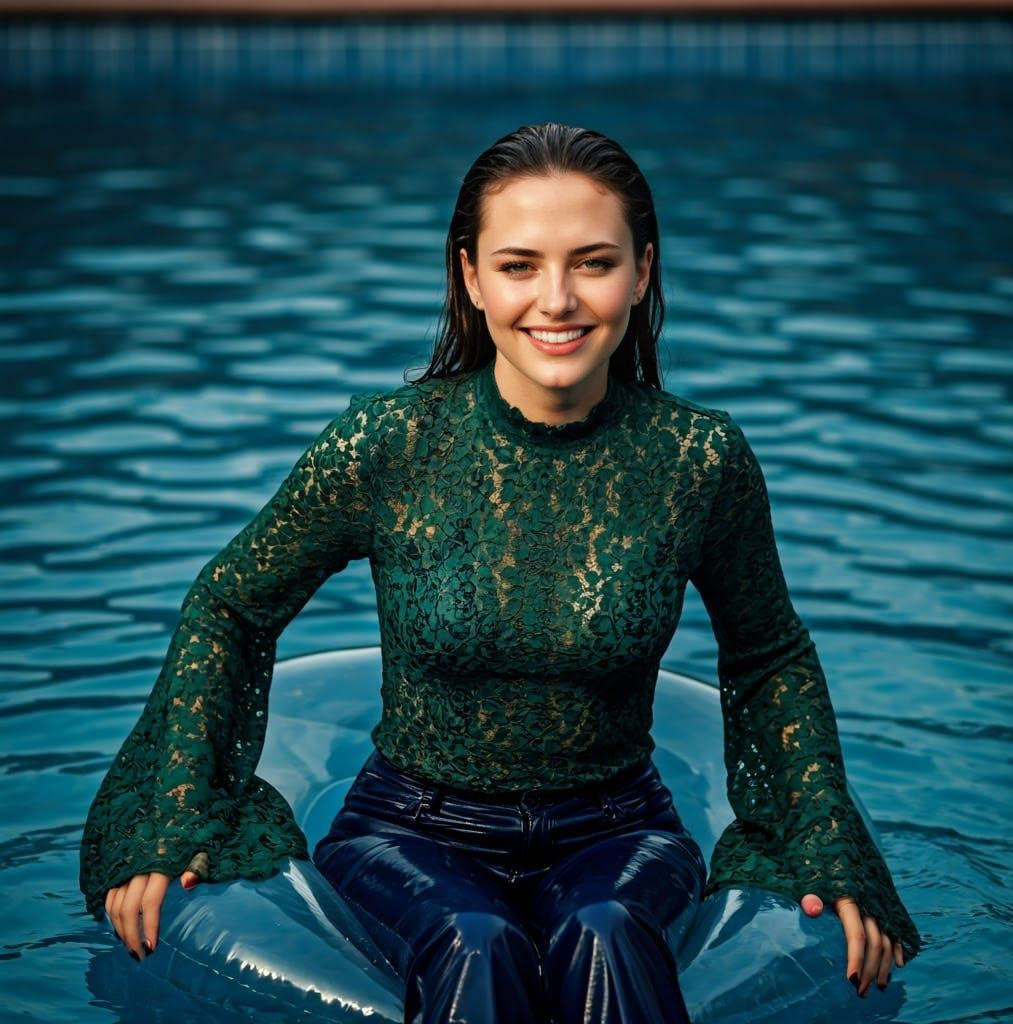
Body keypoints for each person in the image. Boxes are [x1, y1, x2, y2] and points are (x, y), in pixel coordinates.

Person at [81, 123, 920, 1023]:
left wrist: (829, 848)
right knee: (474, 941)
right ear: (471, 277)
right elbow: (228, 605)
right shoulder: (387, 443)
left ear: (641, 272)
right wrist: (173, 822)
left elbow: (769, 655)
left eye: (592, 263)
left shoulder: (697, 459)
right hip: (406, 832)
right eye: (519, 265)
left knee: (603, 930)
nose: (555, 300)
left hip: (622, 832)